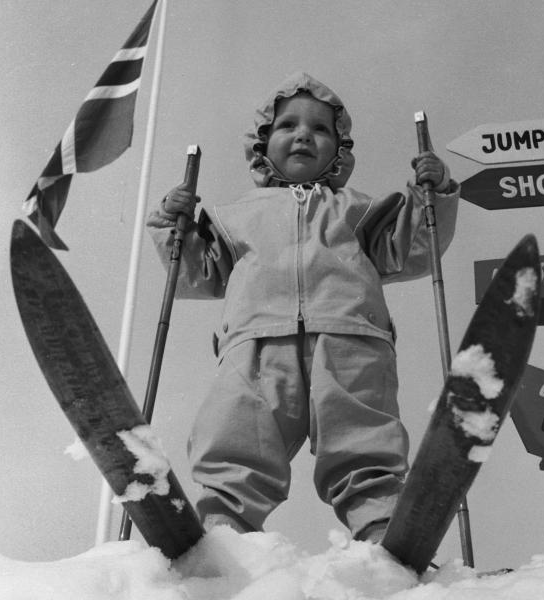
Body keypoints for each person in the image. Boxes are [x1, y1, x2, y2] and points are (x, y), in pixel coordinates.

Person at [147, 72, 458, 543]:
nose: (303, 135)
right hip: (255, 347)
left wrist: (431, 196)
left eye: (319, 129)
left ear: (340, 147)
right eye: (288, 125)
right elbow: (195, 273)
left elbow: (412, 249)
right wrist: (174, 223)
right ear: (262, 143)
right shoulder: (235, 216)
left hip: (351, 341)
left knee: (364, 440)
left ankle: (380, 526)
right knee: (236, 437)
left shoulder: (359, 209)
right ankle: (224, 529)